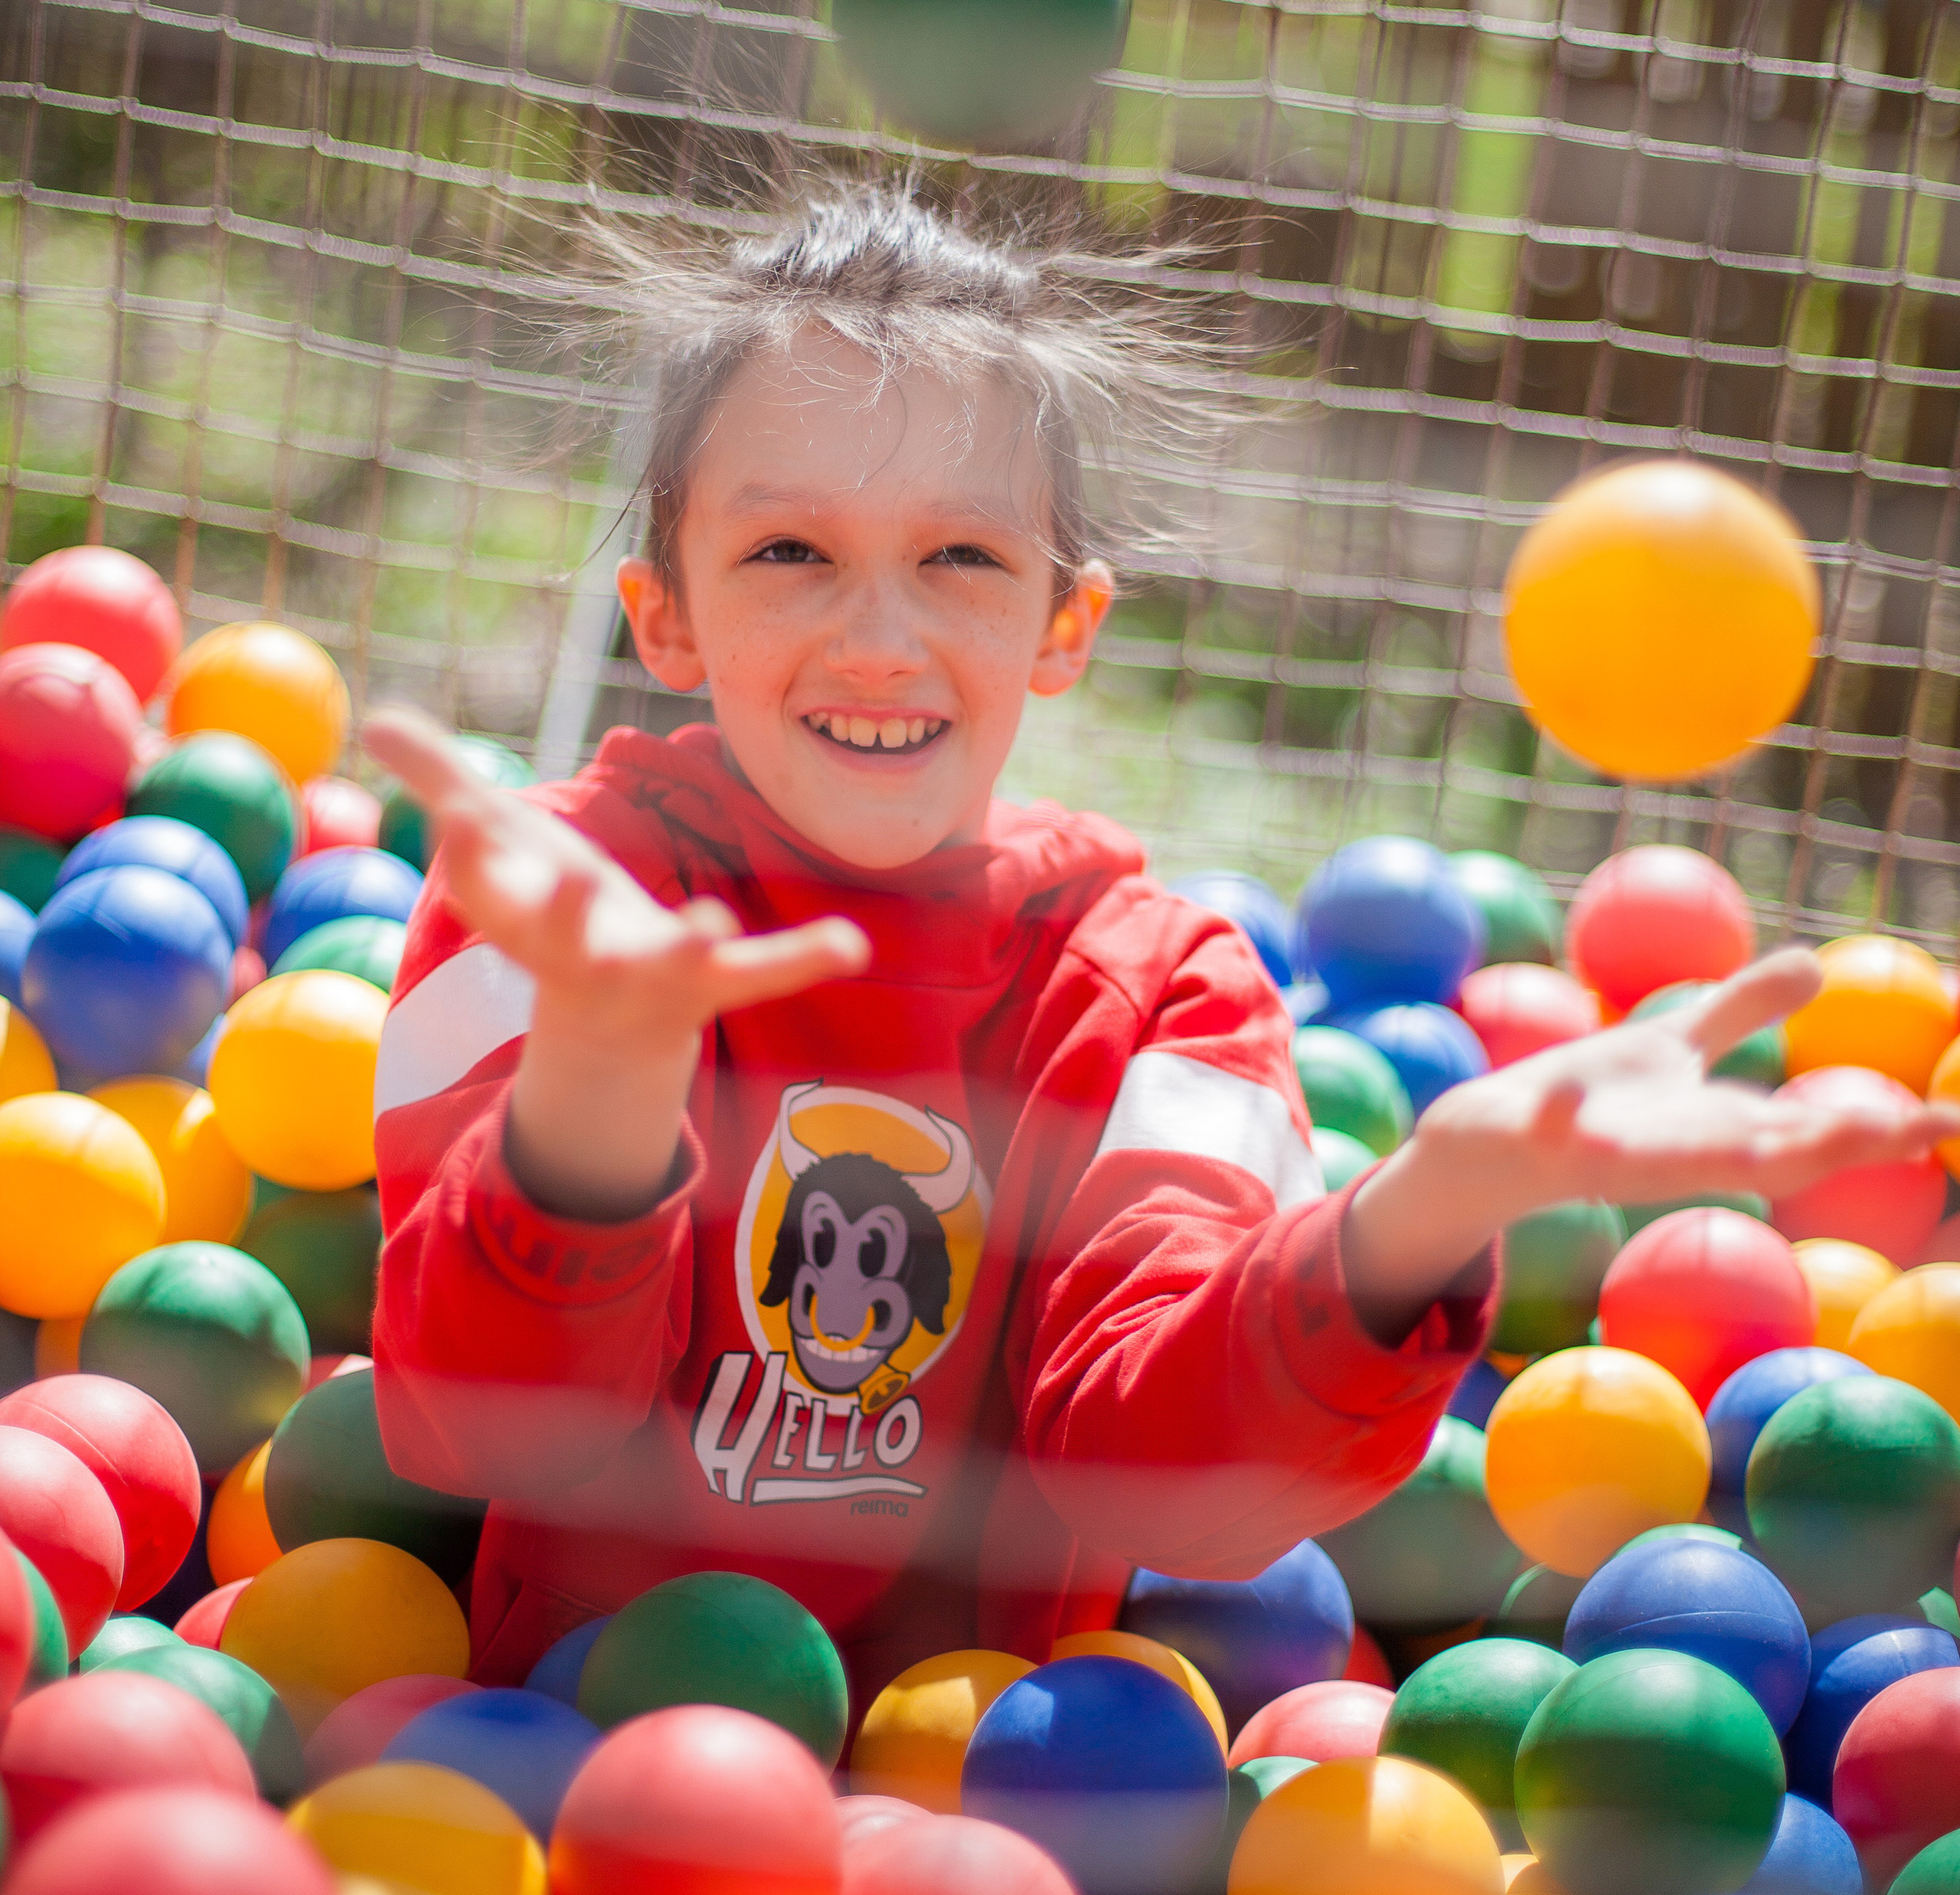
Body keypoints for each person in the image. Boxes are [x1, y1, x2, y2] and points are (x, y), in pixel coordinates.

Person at [367, 188, 1952, 1701]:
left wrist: (1435, 1195)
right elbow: (484, 1434)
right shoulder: (560, 909)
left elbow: (1161, 1480)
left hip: (1008, 1820)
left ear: (1064, 624)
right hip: (565, 1781)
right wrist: (602, 1071)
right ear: (668, 615)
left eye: (961, 558)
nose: (878, 634)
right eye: (790, 552)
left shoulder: (1158, 991)